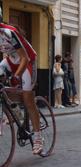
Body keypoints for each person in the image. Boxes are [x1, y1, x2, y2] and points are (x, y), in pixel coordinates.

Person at [0, 7, 43, 154]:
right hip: (11, 61)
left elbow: (24, 58)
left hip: (27, 62)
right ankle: (13, 108)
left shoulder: (8, 33)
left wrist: (16, 76)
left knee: (28, 99)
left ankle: (37, 137)